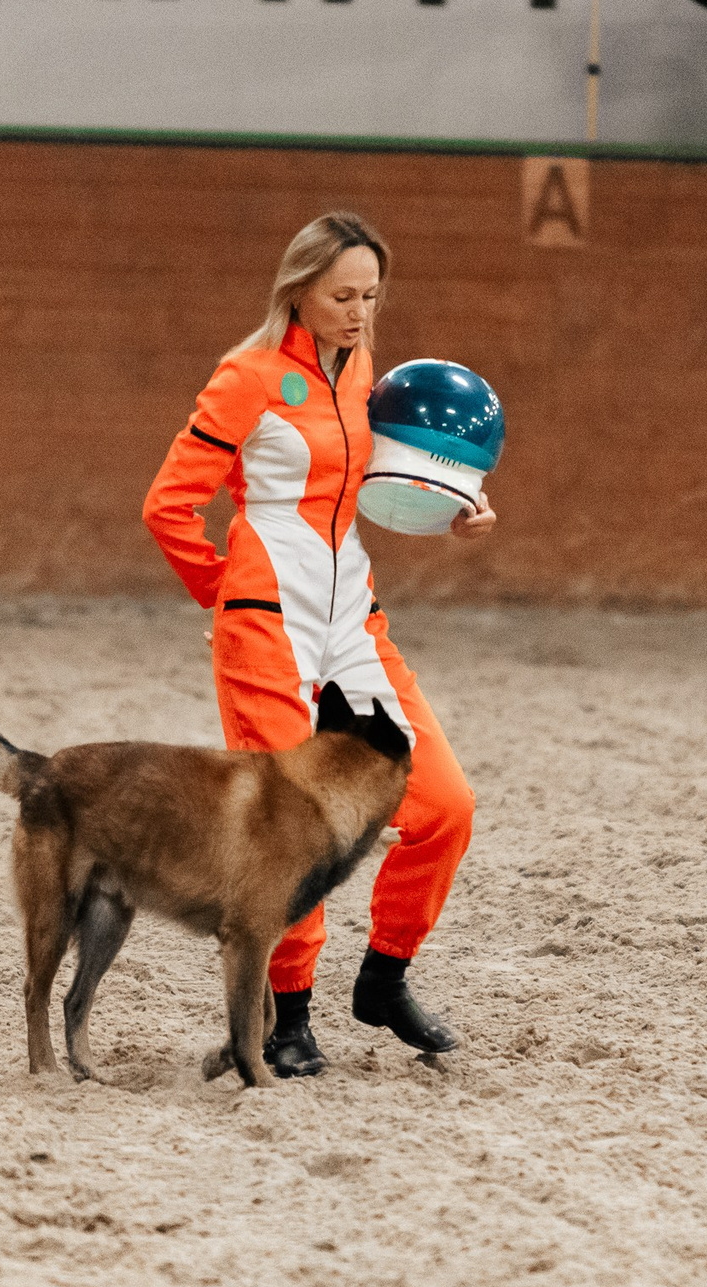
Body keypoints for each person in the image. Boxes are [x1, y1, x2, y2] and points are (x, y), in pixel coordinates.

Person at [142, 214, 495, 1079]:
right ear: (297, 287)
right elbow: (168, 505)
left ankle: (384, 978)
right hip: (266, 623)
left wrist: (450, 510)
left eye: (371, 296)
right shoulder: (247, 377)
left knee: (445, 805)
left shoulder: (362, 370)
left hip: (351, 619)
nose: (359, 312)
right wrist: (227, 596)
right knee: (288, 827)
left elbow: (367, 485)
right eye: (343, 295)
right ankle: (286, 1014)